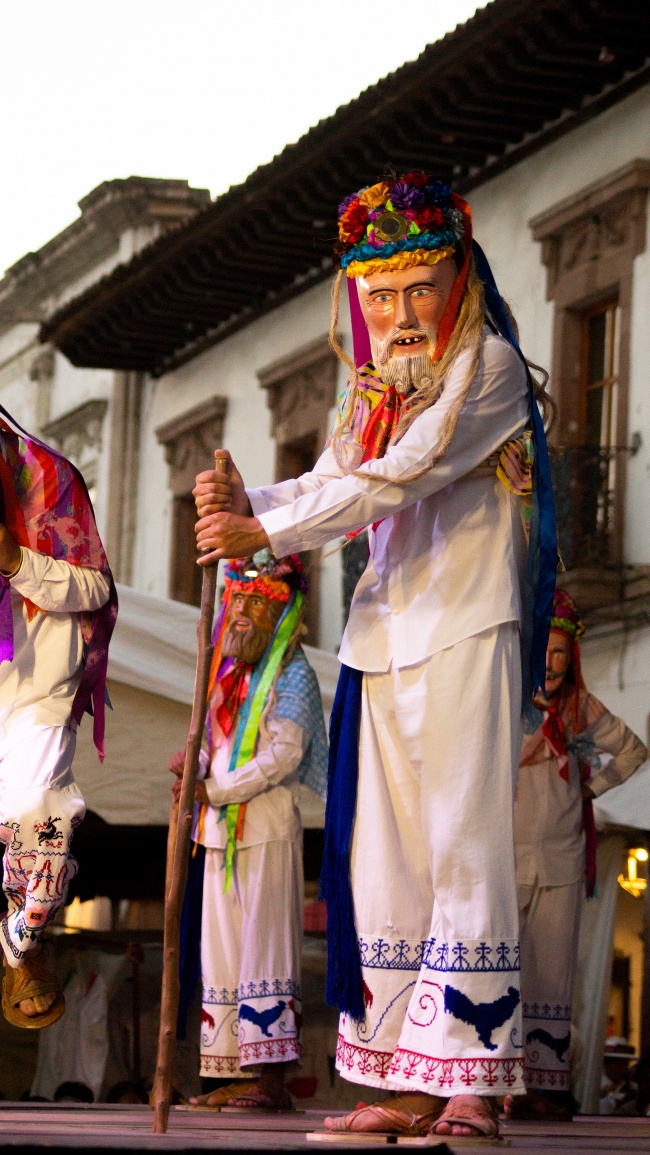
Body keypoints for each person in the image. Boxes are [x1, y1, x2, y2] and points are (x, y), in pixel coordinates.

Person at [191, 172, 558, 1139]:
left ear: (459, 279)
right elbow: (332, 477)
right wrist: (247, 505)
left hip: (468, 626)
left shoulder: (489, 370)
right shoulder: (367, 394)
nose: (397, 312)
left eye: (417, 288)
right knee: (382, 862)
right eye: (379, 293)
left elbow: (405, 476)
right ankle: (403, 1076)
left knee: (463, 845)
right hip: (382, 631)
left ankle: (473, 1076)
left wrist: (259, 536)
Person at [172, 551, 327, 1111]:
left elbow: (285, 754)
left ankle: (269, 1081)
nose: (239, 617)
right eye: (235, 605)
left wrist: (215, 790)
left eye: (253, 607)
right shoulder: (224, 677)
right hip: (217, 836)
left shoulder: (293, 672)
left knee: (266, 954)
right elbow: (212, 747)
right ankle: (232, 1073)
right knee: (223, 955)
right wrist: (191, 770)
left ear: (277, 615)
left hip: (266, 832)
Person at [505, 592, 646, 1121]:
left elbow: (633, 749)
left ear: (573, 658)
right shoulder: (510, 703)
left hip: (563, 855)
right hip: (510, 854)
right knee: (506, 968)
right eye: (545, 650)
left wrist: (592, 790)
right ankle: (497, 1080)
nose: (552, 662)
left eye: (562, 653)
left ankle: (545, 1086)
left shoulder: (582, 710)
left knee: (554, 971)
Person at [0, 411, 116, 1029]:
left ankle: (23, 941)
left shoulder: (48, 477)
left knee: (40, 821)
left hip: (41, 690)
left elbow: (95, 589)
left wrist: (18, 561)